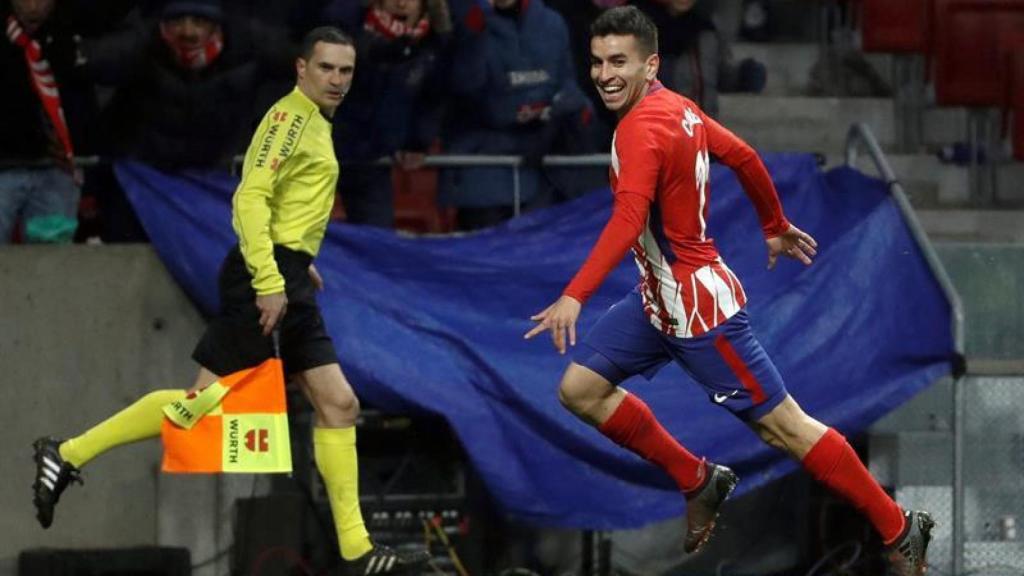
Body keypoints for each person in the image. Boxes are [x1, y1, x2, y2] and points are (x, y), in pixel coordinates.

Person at [523, 7, 932, 575]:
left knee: (784, 428)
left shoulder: (642, 127)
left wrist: (575, 295)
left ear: (651, 63)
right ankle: (698, 479)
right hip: (657, 300)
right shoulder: (678, 108)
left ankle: (899, 526)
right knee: (580, 388)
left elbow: (626, 221)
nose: (604, 73)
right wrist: (772, 222)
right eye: (596, 61)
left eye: (618, 61)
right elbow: (742, 155)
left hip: (697, 313)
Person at [31, 26, 431, 575]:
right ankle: (67, 453)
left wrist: (298, 260)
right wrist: (270, 277)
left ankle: (358, 551)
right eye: (327, 68)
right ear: (301, 69)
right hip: (261, 282)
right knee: (199, 407)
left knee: (340, 405)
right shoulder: (290, 119)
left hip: (286, 275)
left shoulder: (315, 123)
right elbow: (249, 198)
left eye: (346, 71)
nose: (337, 79)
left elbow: (285, 203)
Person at [1, 0, 96, 244]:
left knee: (52, 267)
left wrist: (75, 141)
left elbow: (85, 102)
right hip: (5, 167)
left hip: (56, 172)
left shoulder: (72, 35)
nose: (33, 7)